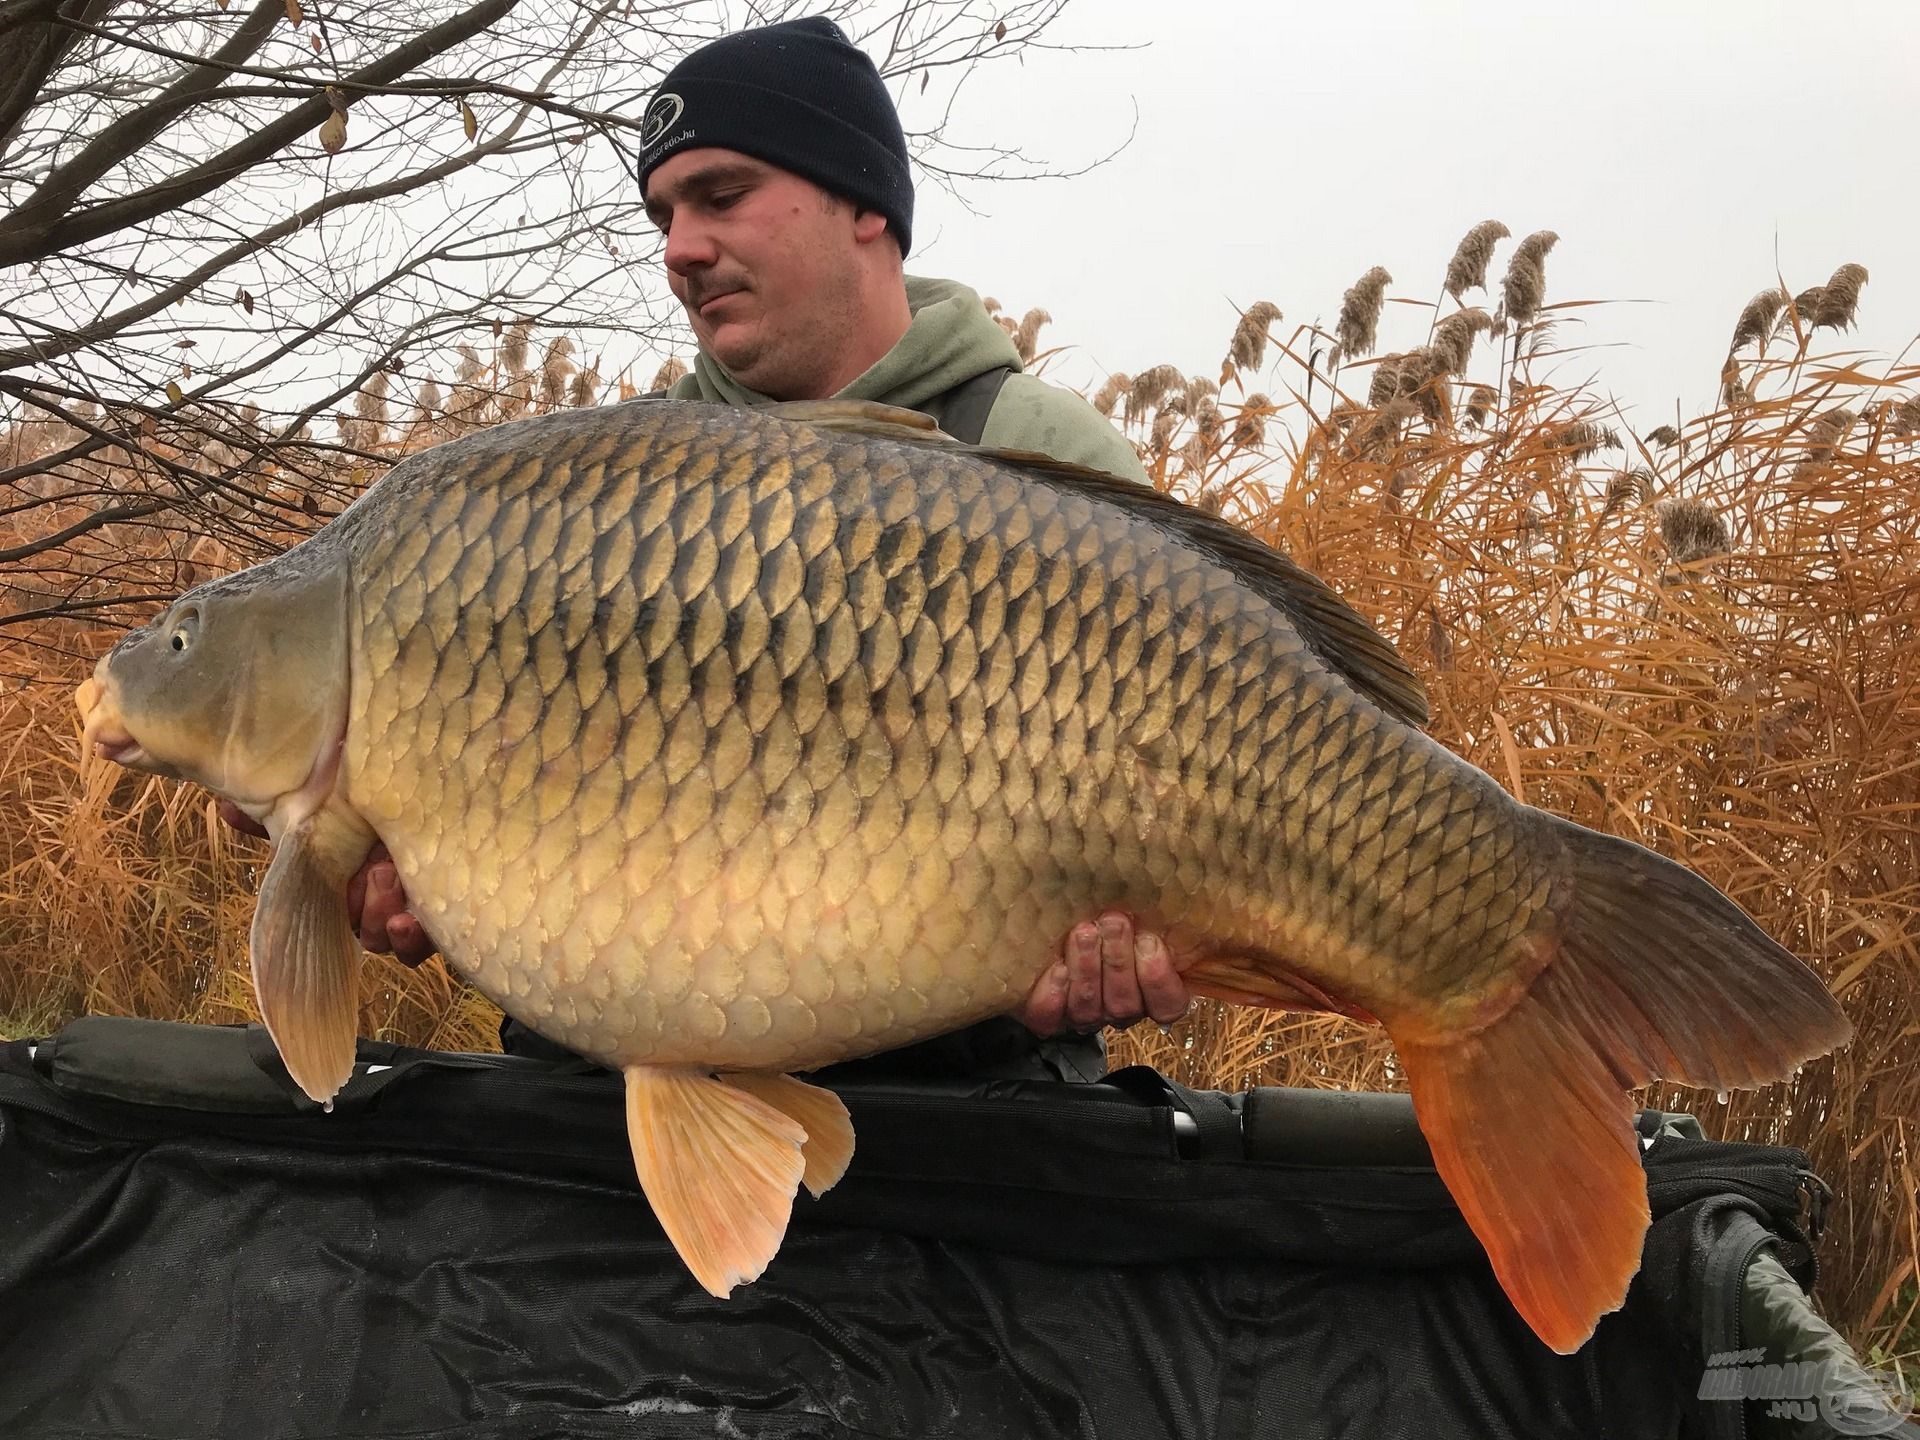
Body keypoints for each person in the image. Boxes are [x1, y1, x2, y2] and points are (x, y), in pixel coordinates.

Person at [223, 14, 1190, 1079]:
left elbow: (1176, 786)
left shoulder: (1038, 451)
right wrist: (425, 870)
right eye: (662, 214)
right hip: (635, 1083)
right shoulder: (613, 493)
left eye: (720, 197)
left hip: (972, 1113)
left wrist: (1137, 945)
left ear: (865, 202)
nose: (679, 248)